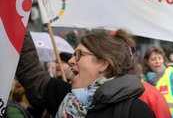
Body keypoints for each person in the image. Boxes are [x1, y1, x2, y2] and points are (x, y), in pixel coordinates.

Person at [16, 29, 155, 117]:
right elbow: (31, 72)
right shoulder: (68, 99)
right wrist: (18, 19)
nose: (70, 61)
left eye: (78, 55)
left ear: (102, 64)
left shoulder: (136, 111)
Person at [142, 46, 173, 118]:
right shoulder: (143, 82)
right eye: (153, 59)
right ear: (147, 62)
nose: (157, 62)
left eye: (160, 58)